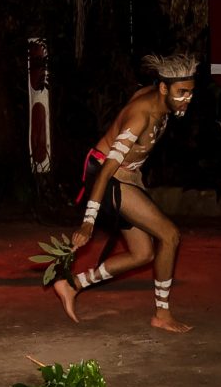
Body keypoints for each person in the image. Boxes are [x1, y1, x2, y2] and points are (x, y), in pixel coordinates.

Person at [50, 54, 199, 332]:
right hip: (108, 178)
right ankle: (162, 314)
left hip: (126, 177)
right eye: (181, 93)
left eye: (190, 92)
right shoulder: (140, 116)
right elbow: (107, 170)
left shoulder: (157, 97)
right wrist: (88, 220)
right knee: (169, 235)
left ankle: (73, 284)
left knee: (142, 254)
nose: (187, 99)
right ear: (164, 88)